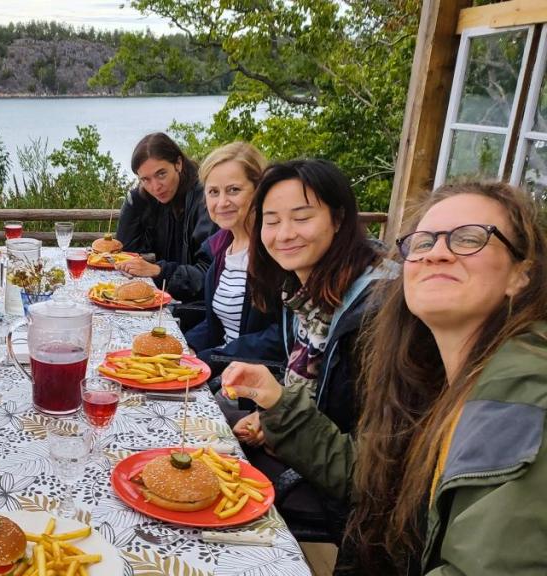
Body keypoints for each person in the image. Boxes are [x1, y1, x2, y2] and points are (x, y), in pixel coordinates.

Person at [223, 181, 546, 574]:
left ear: (522, 275)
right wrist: (277, 401)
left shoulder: (523, 391)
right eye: (423, 243)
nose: (437, 254)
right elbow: (372, 476)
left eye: (469, 239)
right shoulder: (434, 375)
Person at [224, 159, 398, 540]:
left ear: (338, 219)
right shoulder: (303, 295)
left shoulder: (380, 314)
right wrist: (270, 414)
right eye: (271, 220)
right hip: (302, 452)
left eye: (301, 217)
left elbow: (369, 476)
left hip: (345, 509)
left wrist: (277, 409)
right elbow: (319, 396)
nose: (284, 234)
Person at [183, 142, 281, 377]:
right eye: (213, 192)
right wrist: (185, 347)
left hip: (254, 387)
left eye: (234, 190)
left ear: (259, 190)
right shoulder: (221, 250)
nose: (222, 202)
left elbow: (283, 336)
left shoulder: (275, 251)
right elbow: (216, 322)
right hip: (223, 371)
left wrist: (212, 358)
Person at [115, 132, 216, 302]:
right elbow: (127, 251)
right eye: (145, 179)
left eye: (161, 174)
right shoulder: (155, 199)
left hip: (199, 310)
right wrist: (135, 200)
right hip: (173, 299)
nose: (155, 187)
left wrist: (159, 271)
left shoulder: (205, 200)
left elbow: (209, 273)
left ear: (178, 163)